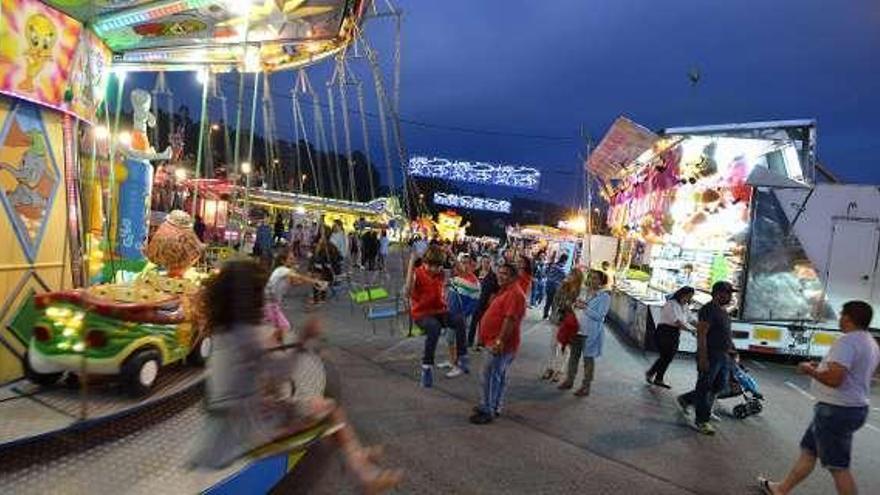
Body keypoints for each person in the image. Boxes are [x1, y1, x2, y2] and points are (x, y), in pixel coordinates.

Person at [190, 260, 401, 492]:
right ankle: (361, 469)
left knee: (328, 414)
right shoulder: (246, 335)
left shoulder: (225, 331)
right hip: (246, 430)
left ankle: (356, 457)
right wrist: (304, 340)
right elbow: (280, 375)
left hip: (233, 420)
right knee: (328, 411)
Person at [759, 301, 879, 495]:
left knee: (838, 467)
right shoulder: (869, 342)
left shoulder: (847, 341)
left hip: (837, 411)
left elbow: (834, 379)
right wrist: (821, 367)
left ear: (848, 318)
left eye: (841, 314)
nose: (839, 318)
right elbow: (849, 373)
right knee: (809, 452)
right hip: (848, 408)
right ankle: (781, 489)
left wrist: (808, 370)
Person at [676, 281, 737, 435]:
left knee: (720, 385)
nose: (730, 296)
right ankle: (702, 420)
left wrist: (732, 350)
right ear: (718, 293)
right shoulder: (708, 310)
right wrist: (703, 357)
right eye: (728, 293)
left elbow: (725, 333)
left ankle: (687, 399)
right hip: (711, 354)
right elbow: (702, 333)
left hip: (723, 355)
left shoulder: (722, 311)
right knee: (705, 386)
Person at [469, 261, 527, 425]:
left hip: (500, 344)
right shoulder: (506, 291)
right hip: (494, 342)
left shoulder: (514, 293)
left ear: (514, 277)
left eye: (505, 274)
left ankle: (488, 410)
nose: (500, 276)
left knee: (490, 377)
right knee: (496, 376)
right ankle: (492, 406)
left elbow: (510, 319)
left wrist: (499, 341)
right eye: (499, 273)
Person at [404, 246, 469, 387]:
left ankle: (462, 356)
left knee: (459, 320)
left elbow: (463, 272)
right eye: (431, 266)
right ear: (424, 262)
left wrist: (451, 253)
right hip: (422, 314)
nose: (435, 269)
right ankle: (426, 367)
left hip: (439, 311)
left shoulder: (440, 274)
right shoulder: (417, 273)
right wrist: (411, 263)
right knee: (434, 328)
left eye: (438, 266)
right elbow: (407, 292)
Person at [558, 270, 610, 396]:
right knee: (573, 357)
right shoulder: (583, 291)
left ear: (601, 281)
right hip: (576, 330)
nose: (592, 280)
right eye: (591, 277)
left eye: (596, 278)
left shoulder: (604, 297)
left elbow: (600, 316)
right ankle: (569, 380)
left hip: (590, 333)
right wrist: (574, 305)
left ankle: (586, 386)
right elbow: (574, 306)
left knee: (588, 361)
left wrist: (585, 307)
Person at [264, 252, 327, 343]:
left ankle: (272, 346)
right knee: (283, 327)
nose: (294, 261)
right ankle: (269, 346)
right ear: (282, 261)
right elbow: (299, 277)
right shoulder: (281, 269)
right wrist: (316, 282)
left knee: (281, 327)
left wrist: (310, 280)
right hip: (268, 303)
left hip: (272, 304)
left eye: (293, 258)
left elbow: (295, 282)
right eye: (290, 259)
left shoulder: (284, 271)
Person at [645, 286, 697, 388]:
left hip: (674, 333)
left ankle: (655, 376)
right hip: (664, 332)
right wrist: (691, 330)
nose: (689, 299)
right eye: (688, 296)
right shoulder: (671, 304)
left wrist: (701, 326)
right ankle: (655, 376)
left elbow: (691, 319)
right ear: (682, 294)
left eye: (691, 297)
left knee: (668, 357)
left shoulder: (685, 306)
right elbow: (677, 322)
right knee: (666, 356)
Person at [440, 254, 481, 378]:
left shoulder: (475, 283)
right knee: (450, 339)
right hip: (450, 314)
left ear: (473, 266)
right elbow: (448, 291)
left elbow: (474, 304)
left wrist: (463, 315)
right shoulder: (458, 278)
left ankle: (459, 366)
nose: (464, 265)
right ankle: (453, 361)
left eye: (467, 263)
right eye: (463, 263)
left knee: (459, 342)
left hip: (460, 317)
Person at [540, 267, 583, 381]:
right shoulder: (562, 287)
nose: (569, 276)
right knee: (553, 344)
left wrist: (569, 305)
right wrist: (554, 313)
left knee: (565, 347)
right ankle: (550, 367)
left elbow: (576, 306)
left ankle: (560, 370)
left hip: (569, 322)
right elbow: (556, 301)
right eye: (570, 274)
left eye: (573, 275)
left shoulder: (579, 291)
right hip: (557, 319)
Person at [468, 255, 499, 348]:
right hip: (475, 301)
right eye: (484, 262)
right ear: (481, 262)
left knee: (483, 323)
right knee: (473, 322)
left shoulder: (493, 276)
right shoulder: (475, 273)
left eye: (488, 262)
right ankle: (469, 341)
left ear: (490, 264)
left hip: (486, 301)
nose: (486, 264)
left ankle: (481, 342)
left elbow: (495, 290)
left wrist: (491, 300)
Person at [543, 253, 569, 320]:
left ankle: (545, 315)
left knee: (548, 301)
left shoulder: (553, 265)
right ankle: (552, 315)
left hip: (548, 285)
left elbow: (546, 272)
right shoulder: (561, 268)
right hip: (555, 287)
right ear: (565, 260)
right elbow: (565, 277)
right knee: (554, 302)